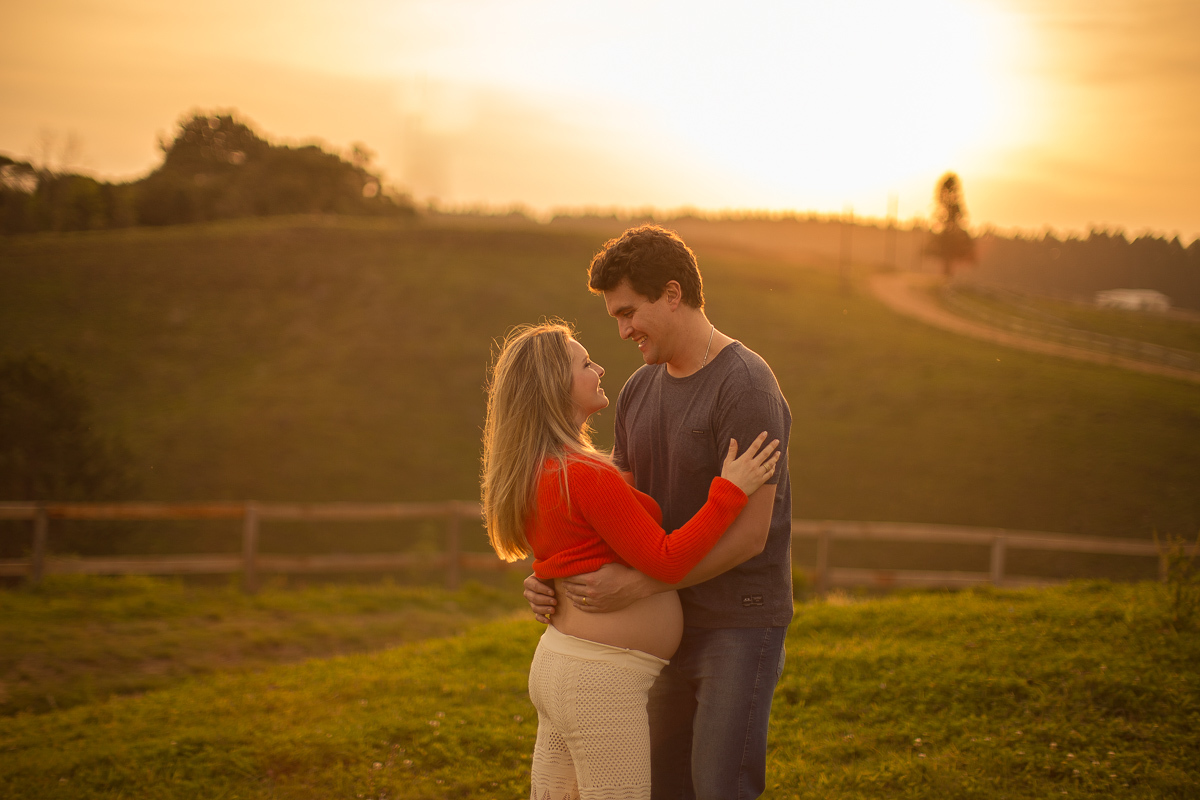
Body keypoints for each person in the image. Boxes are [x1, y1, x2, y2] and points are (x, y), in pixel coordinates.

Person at [523, 225, 793, 800]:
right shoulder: (638, 391)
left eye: (629, 313)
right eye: (615, 318)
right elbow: (613, 515)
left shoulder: (745, 386)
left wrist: (642, 584)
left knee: (721, 788)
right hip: (659, 634)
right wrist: (548, 578)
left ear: (672, 293)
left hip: (736, 622)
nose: (621, 332)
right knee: (664, 789)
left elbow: (750, 536)